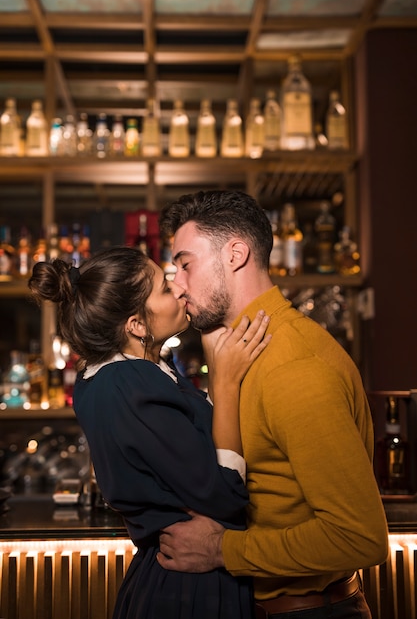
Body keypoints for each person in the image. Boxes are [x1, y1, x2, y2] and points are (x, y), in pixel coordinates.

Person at [157, 190, 389, 619]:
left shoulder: (293, 367)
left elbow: (359, 537)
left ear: (235, 254)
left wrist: (220, 549)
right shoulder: (245, 352)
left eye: (186, 264)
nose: (177, 282)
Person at [28, 246, 272, 619]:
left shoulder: (134, 372)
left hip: (176, 575)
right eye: (163, 287)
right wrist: (226, 384)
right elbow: (225, 495)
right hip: (189, 589)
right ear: (136, 325)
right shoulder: (128, 384)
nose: (178, 288)